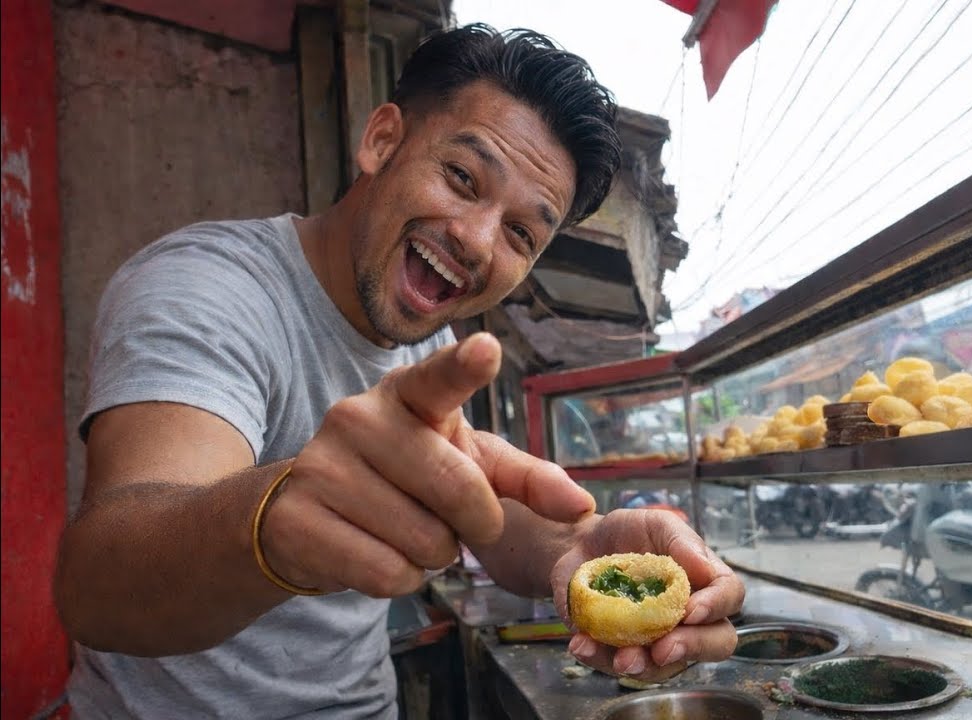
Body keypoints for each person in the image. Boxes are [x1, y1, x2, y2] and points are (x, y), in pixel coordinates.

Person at [54, 25, 744, 719]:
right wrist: (269, 524)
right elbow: (99, 583)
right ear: (382, 140)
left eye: (521, 234)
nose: (476, 241)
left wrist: (582, 549)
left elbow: (487, 513)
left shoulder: (427, 344)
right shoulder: (209, 288)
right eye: (463, 178)